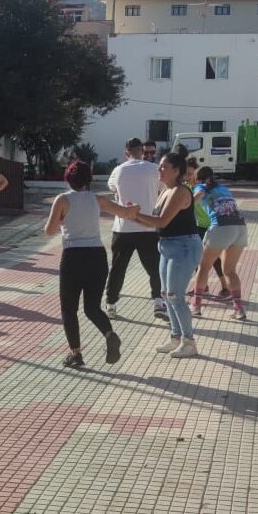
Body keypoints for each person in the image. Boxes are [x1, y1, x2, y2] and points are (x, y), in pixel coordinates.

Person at [44, 161, 136, 369]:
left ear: (68, 178)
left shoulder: (63, 199)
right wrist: (134, 208)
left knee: (69, 308)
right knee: (92, 307)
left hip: (73, 256)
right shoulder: (97, 199)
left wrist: (60, 221)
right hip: (96, 255)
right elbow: (125, 213)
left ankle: (75, 353)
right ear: (89, 179)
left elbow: (49, 231)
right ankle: (109, 334)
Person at [133, 148, 205, 358]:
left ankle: (189, 341)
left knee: (175, 295)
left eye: (164, 166)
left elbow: (162, 221)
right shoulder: (164, 191)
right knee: (166, 294)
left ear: (176, 170)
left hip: (184, 246)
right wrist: (134, 216)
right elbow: (156, 221)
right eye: (159, 166)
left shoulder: (181, 191)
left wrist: (134, 215)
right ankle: (175, 337)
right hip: (166, 246)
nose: (159, 169)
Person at [104, 137, 166, 320]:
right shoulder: (153, 169)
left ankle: (111, 304)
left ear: (126, 153)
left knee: (117, 268)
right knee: (155, 267)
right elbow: (163, 188)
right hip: (147, 226)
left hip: (122, 227)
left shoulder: (118, 170)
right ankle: (158, 302)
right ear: (143, 151)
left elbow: (113, 189)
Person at [191, 167, 249, 321]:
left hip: (221, 227)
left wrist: (187, 205)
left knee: (203, 267)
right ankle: (239, 310)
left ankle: (196, 307)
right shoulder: (224, 188)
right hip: (240, 228)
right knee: (230, 270)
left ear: (197, 179)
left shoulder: (201, 187)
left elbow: (197, 197)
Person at [187, 157, 231, 300]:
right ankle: (202, 286)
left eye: (190, 175)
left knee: (215, 259)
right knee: (197, 257)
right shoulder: (188, 188)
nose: (188, 178)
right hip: (198, 226)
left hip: (213, 226)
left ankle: (225, 287)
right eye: (186, 175)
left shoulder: (203, 188)